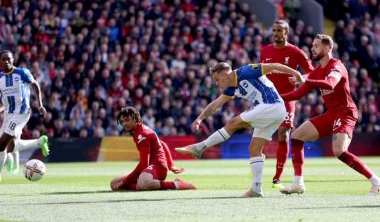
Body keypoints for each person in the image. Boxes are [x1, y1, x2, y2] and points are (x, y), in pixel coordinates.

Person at [176, 62, 304, 197]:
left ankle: (199, 147)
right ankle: (256, 189)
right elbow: (216, 105)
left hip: (272, 105)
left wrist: (296, 74)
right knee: (254, 149)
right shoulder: (232, 88)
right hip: (273, 112)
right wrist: (200, 118)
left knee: (233, 123)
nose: (216, 84)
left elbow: (273, 66)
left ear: (226, 74)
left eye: (217, 79)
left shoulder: (246, 71)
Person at [279, 34, 380, 196]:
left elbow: (330, 83)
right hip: (331, 113)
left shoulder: (337, 66)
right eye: (312, 45)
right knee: (297, 136)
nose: (312, 48)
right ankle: (298, 182)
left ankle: (376, 181)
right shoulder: (317, 71)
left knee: (339, 151)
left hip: (345, 112)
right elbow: (298, 94)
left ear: (327, 48)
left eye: (316, 46)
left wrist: (305, 79)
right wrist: (276, 98)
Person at [261, 20, 314, 189]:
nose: (276, 33)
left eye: (279, 31)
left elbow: (311, 71)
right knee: (260, 134)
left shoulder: (295, 52)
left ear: (286, 33)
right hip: (268, 99)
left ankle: (277, 176)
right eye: (274, 30)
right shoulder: (265, 51)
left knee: (283, 134)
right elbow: (262, 72)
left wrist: (300, 79)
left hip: (288, 99)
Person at [110, 106, 196, 191]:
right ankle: (144, 184)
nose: (124, 124)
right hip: (150, 167)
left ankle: (177, 184)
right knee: (114, 183)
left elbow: (144, 164)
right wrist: (171, 165)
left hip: (158, 166)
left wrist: (125, 180)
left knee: (143, 183)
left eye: (127, 120)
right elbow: (162, 143)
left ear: (136, 118)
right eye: (122, 121)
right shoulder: (138, 131)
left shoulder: (142, 134)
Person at [0, 50, 49, 181]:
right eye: (3, 59)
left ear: (13, 59)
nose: (6, 61)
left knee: (1, 144)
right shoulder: (0, 78)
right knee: (10, 147)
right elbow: (3, 100)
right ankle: (39, 142)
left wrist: (40, 104)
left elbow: (35, 85)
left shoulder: (22, 73)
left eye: (8, 59)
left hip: (22, 113)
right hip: (8, 115)